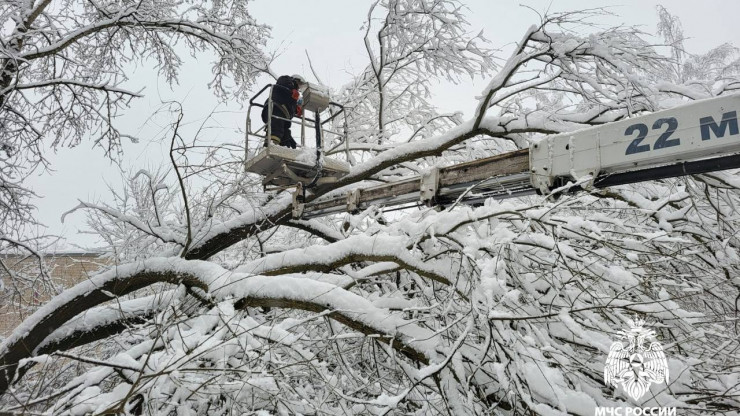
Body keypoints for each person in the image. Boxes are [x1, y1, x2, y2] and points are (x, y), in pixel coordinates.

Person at [261, 74, 306, 148]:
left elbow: (289, 105)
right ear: (295, 80)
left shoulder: (291, 96)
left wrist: (297, 109)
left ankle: (288, 147)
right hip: (275, 108)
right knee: (276, 130)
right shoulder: (286, 79)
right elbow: (282, 82)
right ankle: (271, 146)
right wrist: (292, 88)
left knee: (286, 135)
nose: (299, 87)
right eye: (299, 84)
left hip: (283, 115)